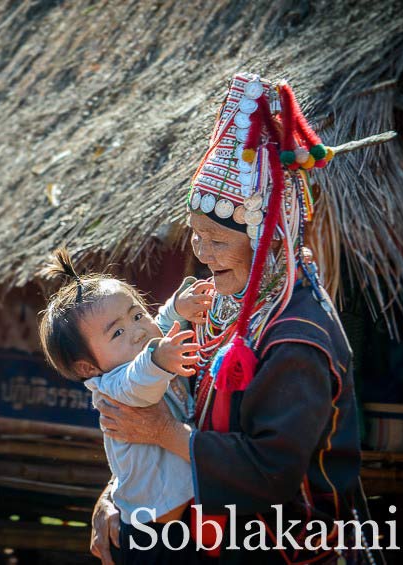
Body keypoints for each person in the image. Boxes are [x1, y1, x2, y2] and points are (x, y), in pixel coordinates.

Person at [89, 73, 373, 564]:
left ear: (268, 238)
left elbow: (272, 472)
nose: (203, 253)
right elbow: (167, 409)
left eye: (219, 240)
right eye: (196, 235)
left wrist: (160, 435)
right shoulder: (212, 304)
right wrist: (117, 494)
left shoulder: (298, 338)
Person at [39, 249, 214, 563]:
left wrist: (177, 307)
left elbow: (158, 323)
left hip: (180, 521)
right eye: (117, 332)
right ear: (87, 368)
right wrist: (159, 357)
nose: (138, 332)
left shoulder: (146, 348)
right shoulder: (114, 388)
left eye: (136, 314)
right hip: (150, 536)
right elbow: (140, 381)